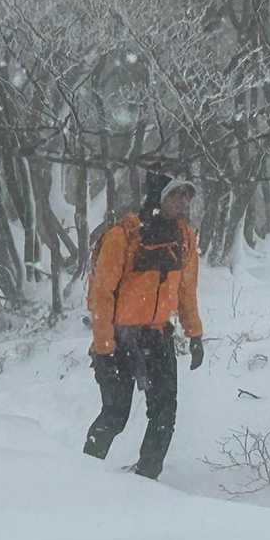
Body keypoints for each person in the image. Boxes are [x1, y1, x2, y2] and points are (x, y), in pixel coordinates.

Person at [82, 171, 204, 479]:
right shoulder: (123, 236)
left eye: (187, 195)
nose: (183, 201)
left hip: (157, 336)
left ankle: (147, 480)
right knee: (115, 415)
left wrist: (195, 333)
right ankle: (81, 476)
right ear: (159, 198)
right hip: (119, 338)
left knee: (165, 412)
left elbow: (187, 290)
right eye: (176, 194)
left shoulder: (184, 238)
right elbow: (101, 294)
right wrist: (104, 347)